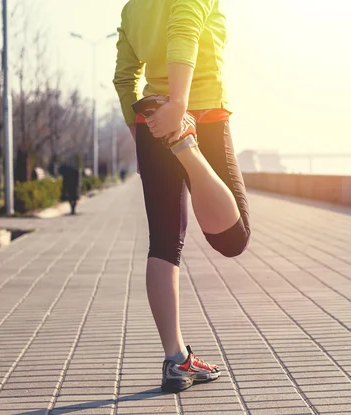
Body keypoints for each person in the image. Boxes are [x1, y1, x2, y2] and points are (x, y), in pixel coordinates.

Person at [113, 0, 251, 393]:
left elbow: (124, 79)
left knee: (163, 245)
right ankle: (185, 146)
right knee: (233, 238)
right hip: (196, 116)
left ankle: (176, 361)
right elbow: (183, 33)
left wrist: (144, 132)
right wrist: (178, 109)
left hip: (151, 120)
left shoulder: (131, 8)